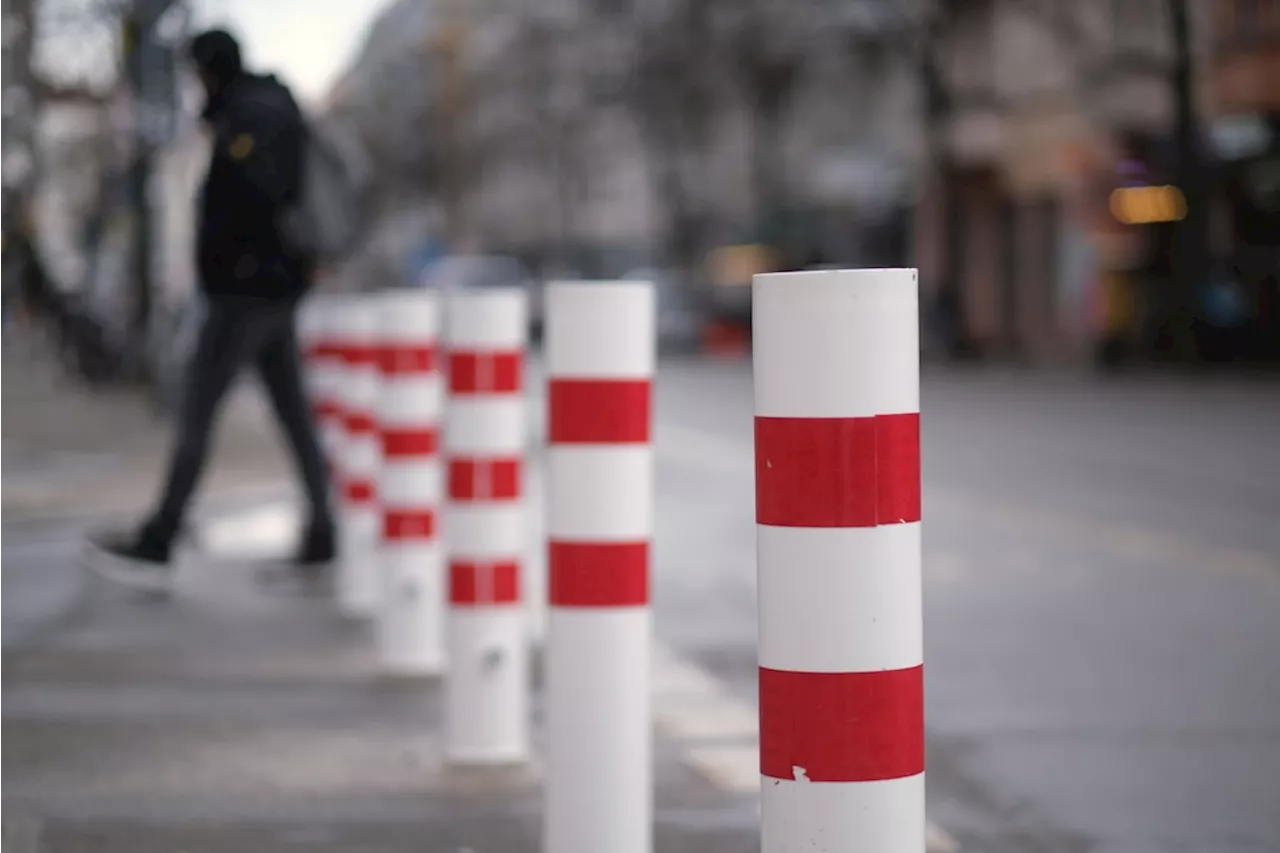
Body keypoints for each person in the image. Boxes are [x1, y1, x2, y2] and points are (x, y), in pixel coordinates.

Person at [84, 28, 335, 593]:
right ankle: (323, 528)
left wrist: (228, 262)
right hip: (271, 290)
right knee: (293, 413)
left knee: (197, 411)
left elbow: (253, 200)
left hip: (247, 293)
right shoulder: (267, 108)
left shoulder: (251, 117)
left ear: (210, 70)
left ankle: (161, 537)